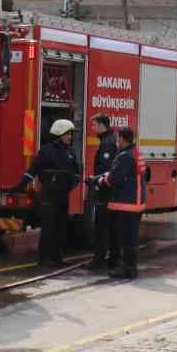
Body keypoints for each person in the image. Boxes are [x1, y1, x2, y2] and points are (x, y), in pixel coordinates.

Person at [19, 118, 80, 267]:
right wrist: (20, 185)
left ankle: (57, 257)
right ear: (59, 134)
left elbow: (76, 173)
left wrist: (70, 185)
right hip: (49, 197)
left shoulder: (70, 152)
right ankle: (44, 259)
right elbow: (32, 170)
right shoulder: (46, 151)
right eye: (67, 134)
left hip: (63, 196)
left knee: (61, 227)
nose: (70, 137)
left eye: (70, 135)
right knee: (48, 227)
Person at [104, 127, 147, 280]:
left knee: (125, 239)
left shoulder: (124, 156)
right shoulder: (137, 153)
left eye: (118, 138)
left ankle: (127, 269)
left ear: (122, 138)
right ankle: (131, 268)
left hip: (126, 204)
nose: (117, 141)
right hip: (137, 203)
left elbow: (115, 178)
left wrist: (101, 180)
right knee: (131, 238)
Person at [88, 114, 120, 270]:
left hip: (106, 191)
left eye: (94, 125)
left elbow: (108, 170)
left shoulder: (107, 143)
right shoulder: (110, 140)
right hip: (109, 191)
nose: (92, 128)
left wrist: (95, 180)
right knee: (109, 226)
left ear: (102, 125)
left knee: (101, 226)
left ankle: (99, 259)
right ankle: (109, 258)